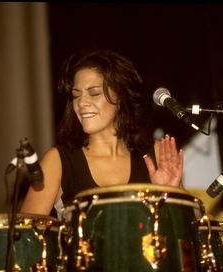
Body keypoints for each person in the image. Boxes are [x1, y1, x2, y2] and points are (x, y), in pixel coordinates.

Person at [20, 49, 183, 216]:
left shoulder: (155, 153)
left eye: (94, 93)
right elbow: (26, 236)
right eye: (76, 95)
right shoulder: (58, 161)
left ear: (120, 96)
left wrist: (171, 194)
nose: (82, 103)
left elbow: (190, 231)